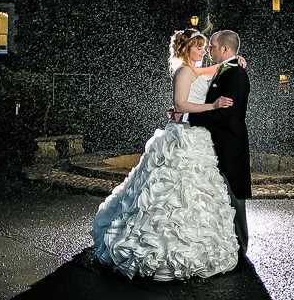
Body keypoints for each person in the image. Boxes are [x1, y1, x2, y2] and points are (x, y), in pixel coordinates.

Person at [90, 28, 240, 280]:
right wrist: (212, 105)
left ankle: (197, 244)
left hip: (196, 135)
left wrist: (237, 60)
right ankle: (158, 249)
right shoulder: (183, 71)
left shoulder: (196, 69)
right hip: (181, 137)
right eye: (199, 46)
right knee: (170, 192)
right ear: (187, 49)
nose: (204, 50)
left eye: (206, 46)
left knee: (196, 192)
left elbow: (219, 68)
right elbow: (181, 104)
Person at [186, 30, 251, 261]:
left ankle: (241, 251)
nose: (209, 50)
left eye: (212, 46)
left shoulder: (235, 74)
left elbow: (225, 113)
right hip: (214, 144)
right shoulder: (225, 69)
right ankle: (224, 246)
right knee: (219, 198)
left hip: (229, 145)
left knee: (234, 197)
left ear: (225, 49)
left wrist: (186, 118)